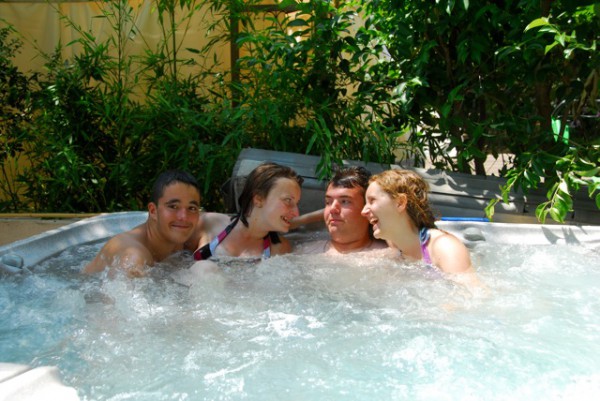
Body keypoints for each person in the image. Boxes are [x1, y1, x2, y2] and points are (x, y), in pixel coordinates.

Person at [83, 170, 202, 277]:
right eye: (173, 206)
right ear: (153, 211)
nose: (184, 217)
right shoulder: (134, 258)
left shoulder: (179, 237)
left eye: (191, 208)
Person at [361, 169, 474, 273]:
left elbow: (469, 289)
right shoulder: (395, 246)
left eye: (372, 201)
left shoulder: (444, 247)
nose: (363, 211)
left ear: (400, 203)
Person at [188, 162, 303, 260]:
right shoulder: (207, 223)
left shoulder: (280, 249)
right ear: (258, 199)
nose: (296, 213)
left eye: (297, 203)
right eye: (288, 200)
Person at [293, 166, 387, 254]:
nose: (332, 209)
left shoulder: (388, 255)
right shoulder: (302, 251)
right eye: (328, 202)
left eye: (344, 201)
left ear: (367, 209)